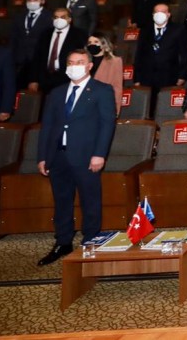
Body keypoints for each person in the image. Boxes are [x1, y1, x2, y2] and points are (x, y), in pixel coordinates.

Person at [35, 49, 116, 266]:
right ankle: (63, 242)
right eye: (70, 62)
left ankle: (90, 242)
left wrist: (99, 154)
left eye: (79, 62)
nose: (74, 66)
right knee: (61, 202)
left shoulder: (102, 90)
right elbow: (48, 126)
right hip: (58, 156)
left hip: (86, 156)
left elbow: (107, 124)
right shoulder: (57, 92)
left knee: (90, 201)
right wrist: (43, 156)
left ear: (89, 65)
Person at [132, 4, 187, 114]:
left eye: (163, 12)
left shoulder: (178, 29)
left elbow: (184, 54)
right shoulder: (145, 30)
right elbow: (139, 54)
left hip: (169, 75)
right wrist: (137, 78)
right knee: (149, 108)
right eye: (156, 12)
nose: (159, 14)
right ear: (153, 14)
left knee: (165, 108)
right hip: (147, 76)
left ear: (168, 14)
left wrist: (182, 75)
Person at [29, 7, 88, 95]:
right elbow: (37, 57)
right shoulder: (45, 34)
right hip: (44, 79)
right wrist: (33, 80)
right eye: (56, 17)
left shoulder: (79, 35)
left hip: (67, 78)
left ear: (69, 19)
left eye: (63, 17)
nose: (59, 20)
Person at [11, 0, 50, 89]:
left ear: (42, 1)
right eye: (29, 0)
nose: (32, 2)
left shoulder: (50, 17)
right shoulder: (19, 16)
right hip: (19, 60)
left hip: (39, 61)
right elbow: (13, 38)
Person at [87, 32, 123, 116]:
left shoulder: (115, 61)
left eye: (96, 42)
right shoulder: (84, 61)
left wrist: (115, 110)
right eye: (90, 43)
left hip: (103, 105)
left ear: (104, 44)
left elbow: (117, 87)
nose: (92, 44)